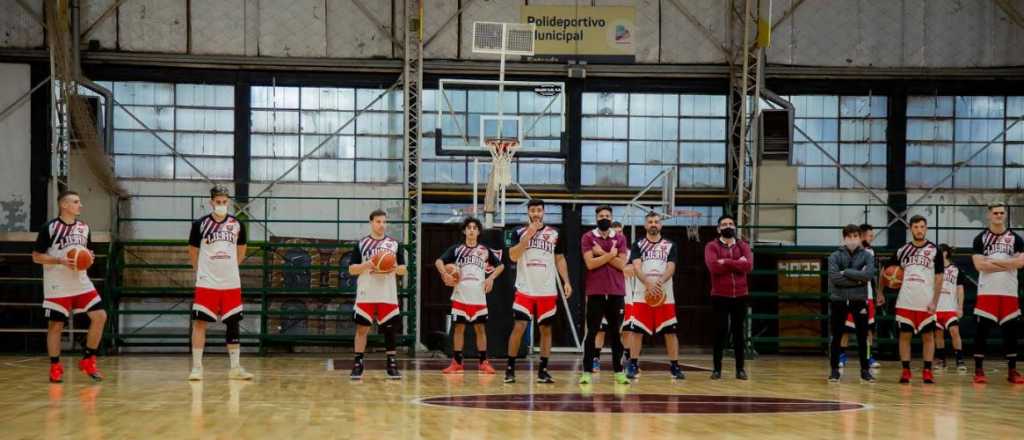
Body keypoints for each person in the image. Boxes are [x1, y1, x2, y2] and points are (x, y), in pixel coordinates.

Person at [32, 190, 107, 383]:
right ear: (64, 205)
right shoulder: (50, 227)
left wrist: (89, 258)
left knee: (100, 316)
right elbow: (36, 256)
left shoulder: (84, 227)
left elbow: (87, 252)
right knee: (56, 325)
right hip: (58, 283)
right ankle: (55, 366)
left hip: (80, 281)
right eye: (76, 201)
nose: (80, 205)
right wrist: (59, 260)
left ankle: (89, 359)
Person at [187, 186, 252, 381]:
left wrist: (231, 267)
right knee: (200, 323)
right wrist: (200, 271)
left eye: (224, 202)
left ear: (228, 202)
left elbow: (242, 250)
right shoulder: (200, 224)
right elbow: (192, 250)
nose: (221, 205)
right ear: (211, 202)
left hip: (231, 282)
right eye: (218, 202)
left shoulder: (237, 224)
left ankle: (235, 367)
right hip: (207, 282)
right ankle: (197, 367)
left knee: (233, 323)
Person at [504, 199, 572, 384]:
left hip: (547, 289)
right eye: (532, 210)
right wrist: (529, 235)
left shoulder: (555, 233)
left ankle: (543, 370)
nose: (536, 213)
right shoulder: (517, 232)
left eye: (539, 210)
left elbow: (560, 259)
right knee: (519, 326)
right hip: (525, 288)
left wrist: (566, 281)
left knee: (546, 329)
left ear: (544, 212)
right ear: (528, 212)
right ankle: (510, 369)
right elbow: (512, 256)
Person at [436, 217, 504, 375]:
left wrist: (491, 278)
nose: (472, 230)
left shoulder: (485, 250)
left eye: (475, 228)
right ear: (464, 231)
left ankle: (483, 362)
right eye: (469, 227)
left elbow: (501, 266)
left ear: (479, 231)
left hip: (478, 295)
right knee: (458, 328)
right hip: (460, 295)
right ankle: (457, 362)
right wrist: (444, 274)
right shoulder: (457, 249)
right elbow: (439, 261)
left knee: (480, 329)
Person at [881, 215, 942, 384]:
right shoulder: (902, 251)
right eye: (916, 227)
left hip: (926, 301)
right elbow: (885, 271)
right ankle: (906, 370)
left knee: (928, 337)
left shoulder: (935, 251)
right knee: (904, 337)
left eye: (922, 226)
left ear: (926, 228)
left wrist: (935, 301)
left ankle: (927, 370)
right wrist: (880, 292)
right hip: (906, 301)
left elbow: (939, 278)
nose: (919, 230)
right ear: (911, 229)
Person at [348, 209, 408, 380]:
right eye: (378, 221)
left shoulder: (394, 244)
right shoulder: (361, 244)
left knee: (390, 330)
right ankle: (358, 363)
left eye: (384, 222)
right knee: (362, 328)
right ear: (371, 223)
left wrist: (393, 267)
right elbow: (351, 269)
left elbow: (403, 269)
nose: (381, 225)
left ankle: (392, 364)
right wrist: (367, 264)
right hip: (366, 291)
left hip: (387, 293)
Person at [625, 212, 686, 380]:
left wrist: (659, 283)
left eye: (656, 222)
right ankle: (633, 364)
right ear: (645, 225)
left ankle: (675, 366)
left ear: (661, 225)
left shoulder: (669, 245)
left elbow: (671, 267)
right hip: (641, 294)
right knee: (636, 331)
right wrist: (648, 283)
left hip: (664, 295)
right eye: (650, 221)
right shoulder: (637, 244)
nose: (653, 224)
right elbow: (636, 267)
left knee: (670, 332)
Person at [970, 202, 1024, 384]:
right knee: (982, 331)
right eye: (995, 213)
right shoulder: (980, 239)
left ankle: (1012, 370)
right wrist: (1009, 263)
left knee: (1011, 332)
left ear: (1005, 215)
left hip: (1009, 292)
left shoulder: (1016, 239)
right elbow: (979, 266)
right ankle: (978, 369)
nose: (999, 216)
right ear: (989, 215)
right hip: (987, 292)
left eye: (1002, 213)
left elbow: (1020, 263)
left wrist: (992, 263)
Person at [578, 206, 630, 385]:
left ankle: (619, 371)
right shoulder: (588, 237)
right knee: (592, 333)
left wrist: (602, 254)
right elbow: (590, 264)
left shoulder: (620, 238)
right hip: (595, 292)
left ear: (612, 217)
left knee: (616, 334)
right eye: (601, 216)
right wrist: (610, 255)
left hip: (616, 292)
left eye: (607, 216)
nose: (604, 218)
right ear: (596, 218)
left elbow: (622, 265)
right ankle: (586, 372)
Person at [704, 214, 753, 380]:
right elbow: (713, 267)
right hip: (720, 295)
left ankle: (740, 369)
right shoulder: (711, 246)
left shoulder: (743, 245)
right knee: (720, 332)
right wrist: (737, 262)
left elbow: (748, 266)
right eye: (724, 224)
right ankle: (716, 369)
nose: (728, 226)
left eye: (731, 224)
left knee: (739, 333)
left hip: (740, 295)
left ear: (735, 227)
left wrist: (725, 261)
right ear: (719, 229)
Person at [826, 225, 876, 383]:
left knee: (862, 336)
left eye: (855, 236)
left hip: (859, 300)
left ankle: (865, 370)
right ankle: (834, 370)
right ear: (844, 238)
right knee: (837, 336)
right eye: (849, 236)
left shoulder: (867, 255)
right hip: (839, 300)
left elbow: (868, 275)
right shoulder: (834, 256)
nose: (852, 239)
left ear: (860, 237)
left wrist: (846, 272)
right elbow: (834, 278)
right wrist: (858, 279)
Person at [839, 224, 881, 369]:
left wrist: (878, 292)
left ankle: (868, 357)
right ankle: (841, 356)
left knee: (868, 329)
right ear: (861, 236)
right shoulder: (845, 252)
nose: (872, 237)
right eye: (870, 235)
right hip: (849, 295)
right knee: (845, 328)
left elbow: (870, 276)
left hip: (867, 295)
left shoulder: (870, 252)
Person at [934, 244, 966, 372]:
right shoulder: (933, 269)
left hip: (950, 308)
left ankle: (960, 359)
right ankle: (942, 360)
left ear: (946, 253)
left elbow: (960, 289)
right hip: (936, 308)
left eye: (940, 252)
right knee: (938, 335)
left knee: (954, 332)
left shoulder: (955, 269)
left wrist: (960, 307)